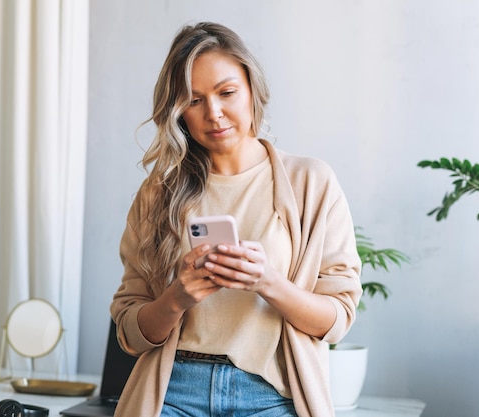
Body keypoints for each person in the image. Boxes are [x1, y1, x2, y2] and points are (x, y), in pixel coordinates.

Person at [110, 21, 362, 417]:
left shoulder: (311, 183)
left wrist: (268, 282)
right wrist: (177, 297)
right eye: (193, 101)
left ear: (251, 89)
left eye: (227, 92)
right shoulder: (158, 194)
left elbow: (337, 319)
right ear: (179, 114)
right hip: (173, 392)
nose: (214, 113)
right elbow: (129, 331)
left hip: (270, 395)